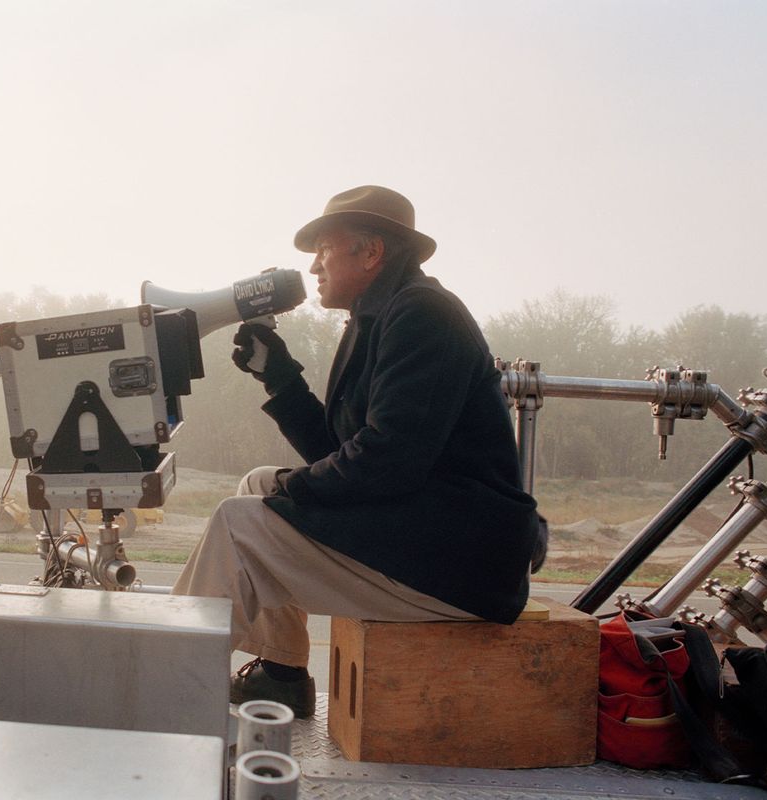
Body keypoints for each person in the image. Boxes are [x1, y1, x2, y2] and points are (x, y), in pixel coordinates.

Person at [172, 185, 540, 718]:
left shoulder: (423, 315)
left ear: (371, 252)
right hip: (424, 535)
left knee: (239, 523)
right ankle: (282, 674)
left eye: (325, 248)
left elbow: (387, 460)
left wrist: (293, 488)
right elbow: (344, 451)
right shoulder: (381, 314)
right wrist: (280, 379)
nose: (315, 266)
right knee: (256, 484)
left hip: (459, 566)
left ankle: (165, 688)